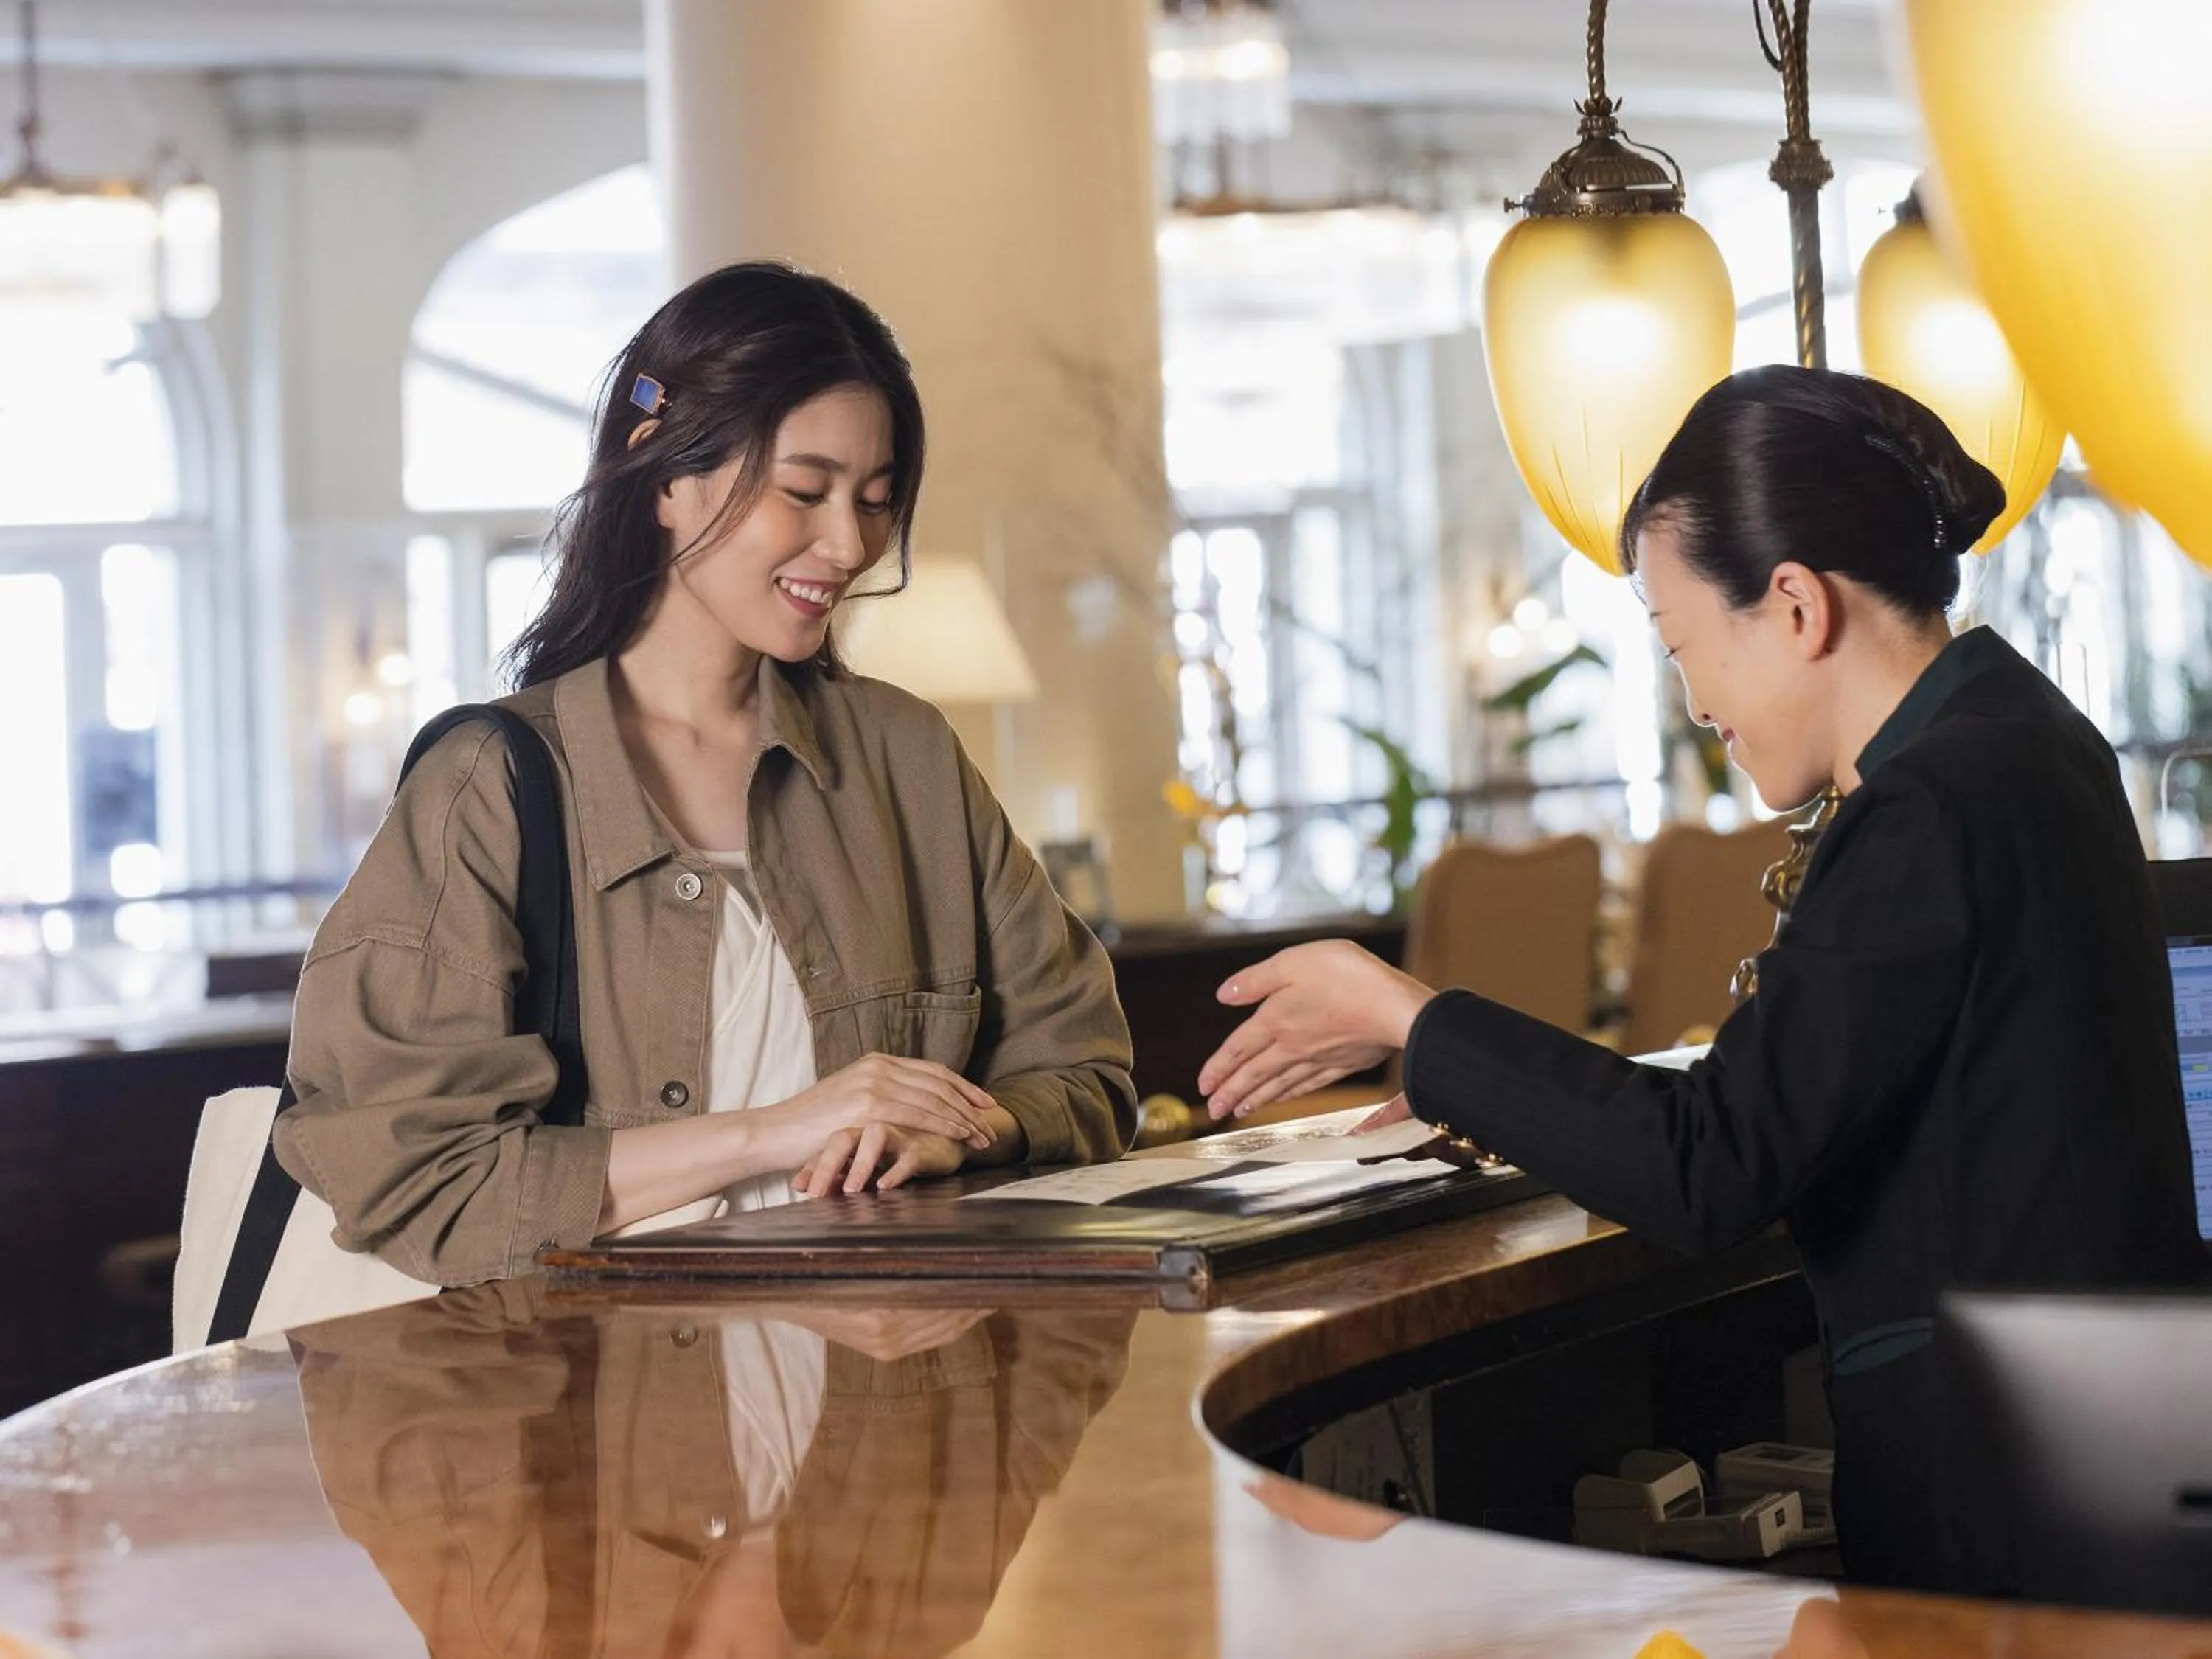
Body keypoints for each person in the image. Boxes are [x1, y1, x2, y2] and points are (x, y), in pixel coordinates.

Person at [1194, 365, 2206, 1593]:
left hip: (1999, 1519)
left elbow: (1709, 1165)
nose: (1695, 704)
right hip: (2103, 1471)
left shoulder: (1926, 806)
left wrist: (1409, 1015)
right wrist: (1491, 1084)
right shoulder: (2035, 739)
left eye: (1681, 645)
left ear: (1793, 606)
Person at [277, 262, 1135, 1290]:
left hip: (887, 1398)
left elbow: (1086, 1074)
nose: (850, 542)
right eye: (805, 491)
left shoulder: (908, 760)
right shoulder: (488, 790)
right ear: (666, 475)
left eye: (874, 498)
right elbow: (415, 1174)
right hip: (604, 1417)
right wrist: (774, 1133)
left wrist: (967, 1129)